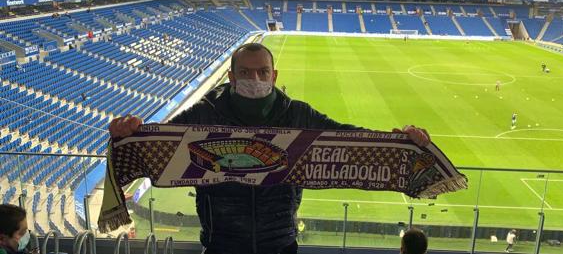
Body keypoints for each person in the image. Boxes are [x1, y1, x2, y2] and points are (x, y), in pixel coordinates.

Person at [109, 43, 430, 254]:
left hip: (281, 243)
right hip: (221, 244)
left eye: (263, 71)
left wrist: (403, 141)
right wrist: (126, 134)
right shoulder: (204, 113)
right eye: (246, 72)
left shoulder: (298, 114)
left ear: (274, 75)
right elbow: (157, 141)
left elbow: (350, 139)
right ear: (231, 76)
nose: (256, 78)